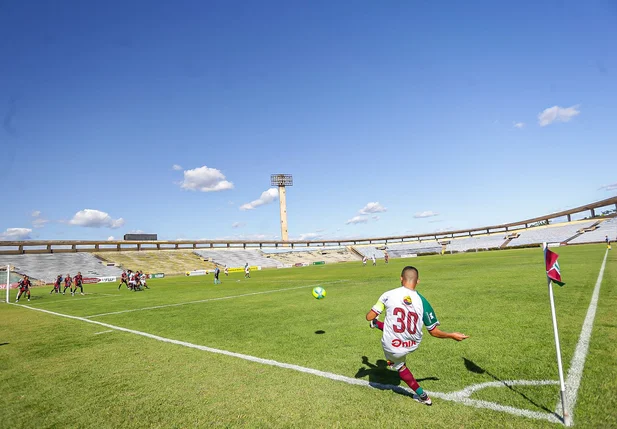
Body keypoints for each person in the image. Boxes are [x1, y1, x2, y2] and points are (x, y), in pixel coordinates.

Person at [366, 266, 469, 406]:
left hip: (393, 346)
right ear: (418, 281)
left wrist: (374, 315)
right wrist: (452, 335)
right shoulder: (423, 302)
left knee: (400, 366)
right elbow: (433, 331)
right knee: (397, 331)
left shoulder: (388, 295)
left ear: (401, 278)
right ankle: (377, 324)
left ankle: (423, 396)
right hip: (412, 343)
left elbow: (368, 316)